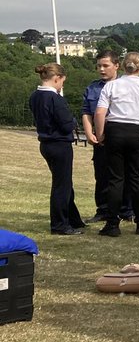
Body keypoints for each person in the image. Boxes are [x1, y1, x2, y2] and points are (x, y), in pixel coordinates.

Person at [93, 52, 139, 237]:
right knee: (137, 179)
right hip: (138, 131)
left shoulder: (111, 86)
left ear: (123, 67)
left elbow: (100, 113)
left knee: (115, 179)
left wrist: (100, 135)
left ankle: (112, 224)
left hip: (115, 130)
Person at [29, 63, 86, 235]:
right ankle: (60, 224)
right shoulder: (54, 98)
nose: (62, 86)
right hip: (59, 144)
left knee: (64, 183)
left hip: (46, 143)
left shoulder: (35, 96)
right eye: (62, 82)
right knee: (62, 185)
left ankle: (73, 219)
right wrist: (74, 121)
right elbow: (67, 124)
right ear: (56, 78)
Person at [81, 50, 132, 224]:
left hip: (121, 136)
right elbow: (87, 112)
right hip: (100, 139)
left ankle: (126, 210)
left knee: (124, 174)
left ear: (117, 65)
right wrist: (89, 132)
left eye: (105, 66)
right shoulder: (92, 88)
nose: (101, 69)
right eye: (99, 66)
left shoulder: (126, 85)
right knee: (102, 175)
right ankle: (103, 209)